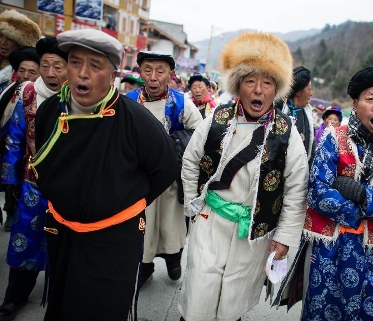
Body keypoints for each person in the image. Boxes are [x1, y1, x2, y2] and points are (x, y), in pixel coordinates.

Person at [30, 29, 178, 321]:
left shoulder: (136, 121)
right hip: (62, 229)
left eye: (95, 66)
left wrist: (123, 200)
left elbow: (165, 169)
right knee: (62, 300)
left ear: (112, 75)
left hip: (113, 238)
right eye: (74, 62)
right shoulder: (50, 110)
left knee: (102, 307)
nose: (82, 74)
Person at [273, 65, 373, 321]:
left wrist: (364, 196)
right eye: (370, 99)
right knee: (320, 309)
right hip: (328, 247)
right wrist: (362, 213)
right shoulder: (333, 139)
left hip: (372, 252)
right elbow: (317, 191)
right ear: (355, 104)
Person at [178, 31, 309, 321]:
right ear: (239, 85)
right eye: (251, 81)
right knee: (200, 289)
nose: (258, 90)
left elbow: (297, 189)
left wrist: (285, 238)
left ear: (277, 89)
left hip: (255, 231)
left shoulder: (288, 134)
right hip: (210, 219)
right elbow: (190, 160)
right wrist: (192, 205)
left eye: (267, 82)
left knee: (233, 301)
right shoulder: (217, 117)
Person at [0, 36, 67, 321]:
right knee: (24, 241)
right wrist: (10, 182)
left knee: (63, 247)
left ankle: (61, 301)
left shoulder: (78, 96)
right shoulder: (27, 93)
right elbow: (14, 138)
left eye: (59, 66)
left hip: (67, 188)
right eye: (46, 65)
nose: (51, 73)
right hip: (32, 185)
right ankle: (14, 297)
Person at [126, 51, 202, 288]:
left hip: (171, 180)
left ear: (170, 75)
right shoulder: (128, 101)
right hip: (140, 182)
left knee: (171, 225)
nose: (153, 77)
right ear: (140, 73)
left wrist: (175, 143)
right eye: (148, 70)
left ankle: (174, 260)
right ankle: (145, 266)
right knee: (143, 227)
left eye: (160, 71)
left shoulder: (181, 103)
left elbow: (200, 134)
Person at [0, 46, 40, 232]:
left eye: (32, 71)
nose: (26, 75)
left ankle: (11, 211)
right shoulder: (8, 90)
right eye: (22, 70)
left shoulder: (38, 96)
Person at [277, 66, 315, 165]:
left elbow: (311, 148)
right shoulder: (278, 111)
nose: (311, 93)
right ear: (298, 92)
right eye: (309, 89)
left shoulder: (308, 114)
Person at [0, 9, 41, 93]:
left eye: (10, 39)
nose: (3, 42)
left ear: (20, 43)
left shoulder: (26, 71)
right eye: (1, 36)